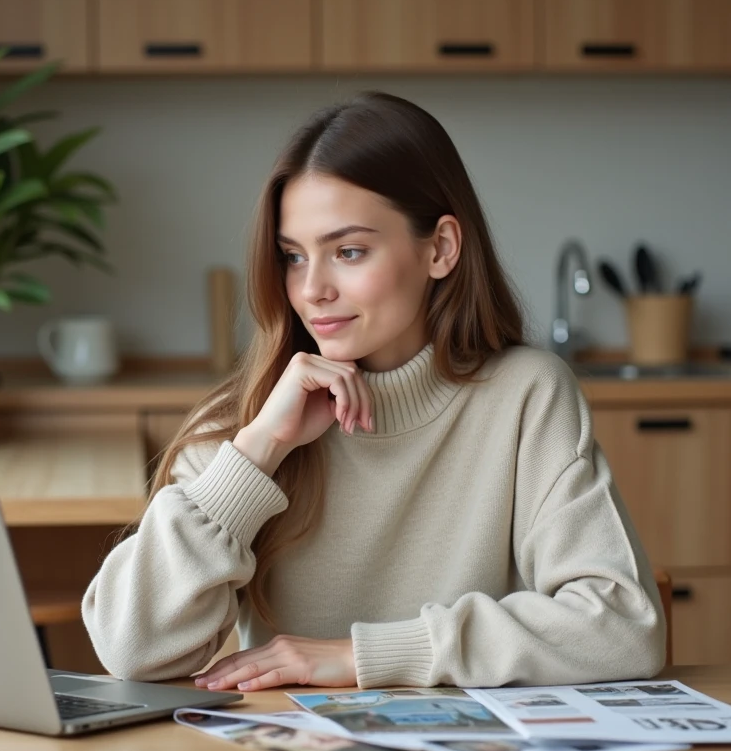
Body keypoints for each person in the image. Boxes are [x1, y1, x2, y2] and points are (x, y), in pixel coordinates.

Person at [82, 91, 665, 692]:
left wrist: (364, 657)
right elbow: (132, 652)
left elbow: (622, 626)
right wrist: (258, 451)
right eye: (292, 257)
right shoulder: (250, 418)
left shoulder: (527, 396)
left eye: (349, 251)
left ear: (440, 248)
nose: (312, 290)